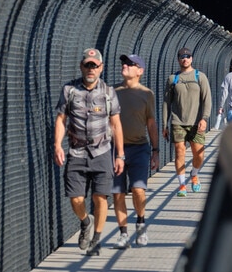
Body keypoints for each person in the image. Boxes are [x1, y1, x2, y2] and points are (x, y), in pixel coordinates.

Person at [53, 48, 125, 256]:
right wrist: (58, 145)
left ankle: (96, 238)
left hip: (102, 151)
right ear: (81, 66)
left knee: (100, 197)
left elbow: (116, 124)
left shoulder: (108, 93)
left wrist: (120, 155)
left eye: (95, 65)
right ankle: (86, 221)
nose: (91, 69)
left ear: (101, 68)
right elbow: (61, 119)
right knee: (75, 198)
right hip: (76, 151)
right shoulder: (70, 91)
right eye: (88, 65)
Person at [111, 54, 159, 249]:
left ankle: (140, 222)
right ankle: (123, 234)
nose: (125, 66)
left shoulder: (147, 94)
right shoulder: (112, 91)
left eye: (131, 64)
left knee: (138, 189)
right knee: (118, 193)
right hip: (115, 150)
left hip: (139, 148)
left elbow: (151, 123)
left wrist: (155, 151)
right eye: (124, 63)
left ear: (140, 71)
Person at [162, 47, 212, 197]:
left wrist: (204, 118)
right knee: (179, 152)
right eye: (182, 57)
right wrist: (164, 124)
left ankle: (194, 174)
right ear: (178, 60)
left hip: (196, 122)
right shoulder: (173, 79)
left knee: (199, 154)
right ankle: (182, 185)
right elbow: (166, 103)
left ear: (192, 58)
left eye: (187, 56)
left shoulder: (200, 77)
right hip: (178, 122)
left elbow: (207, 99)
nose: (185, 59)